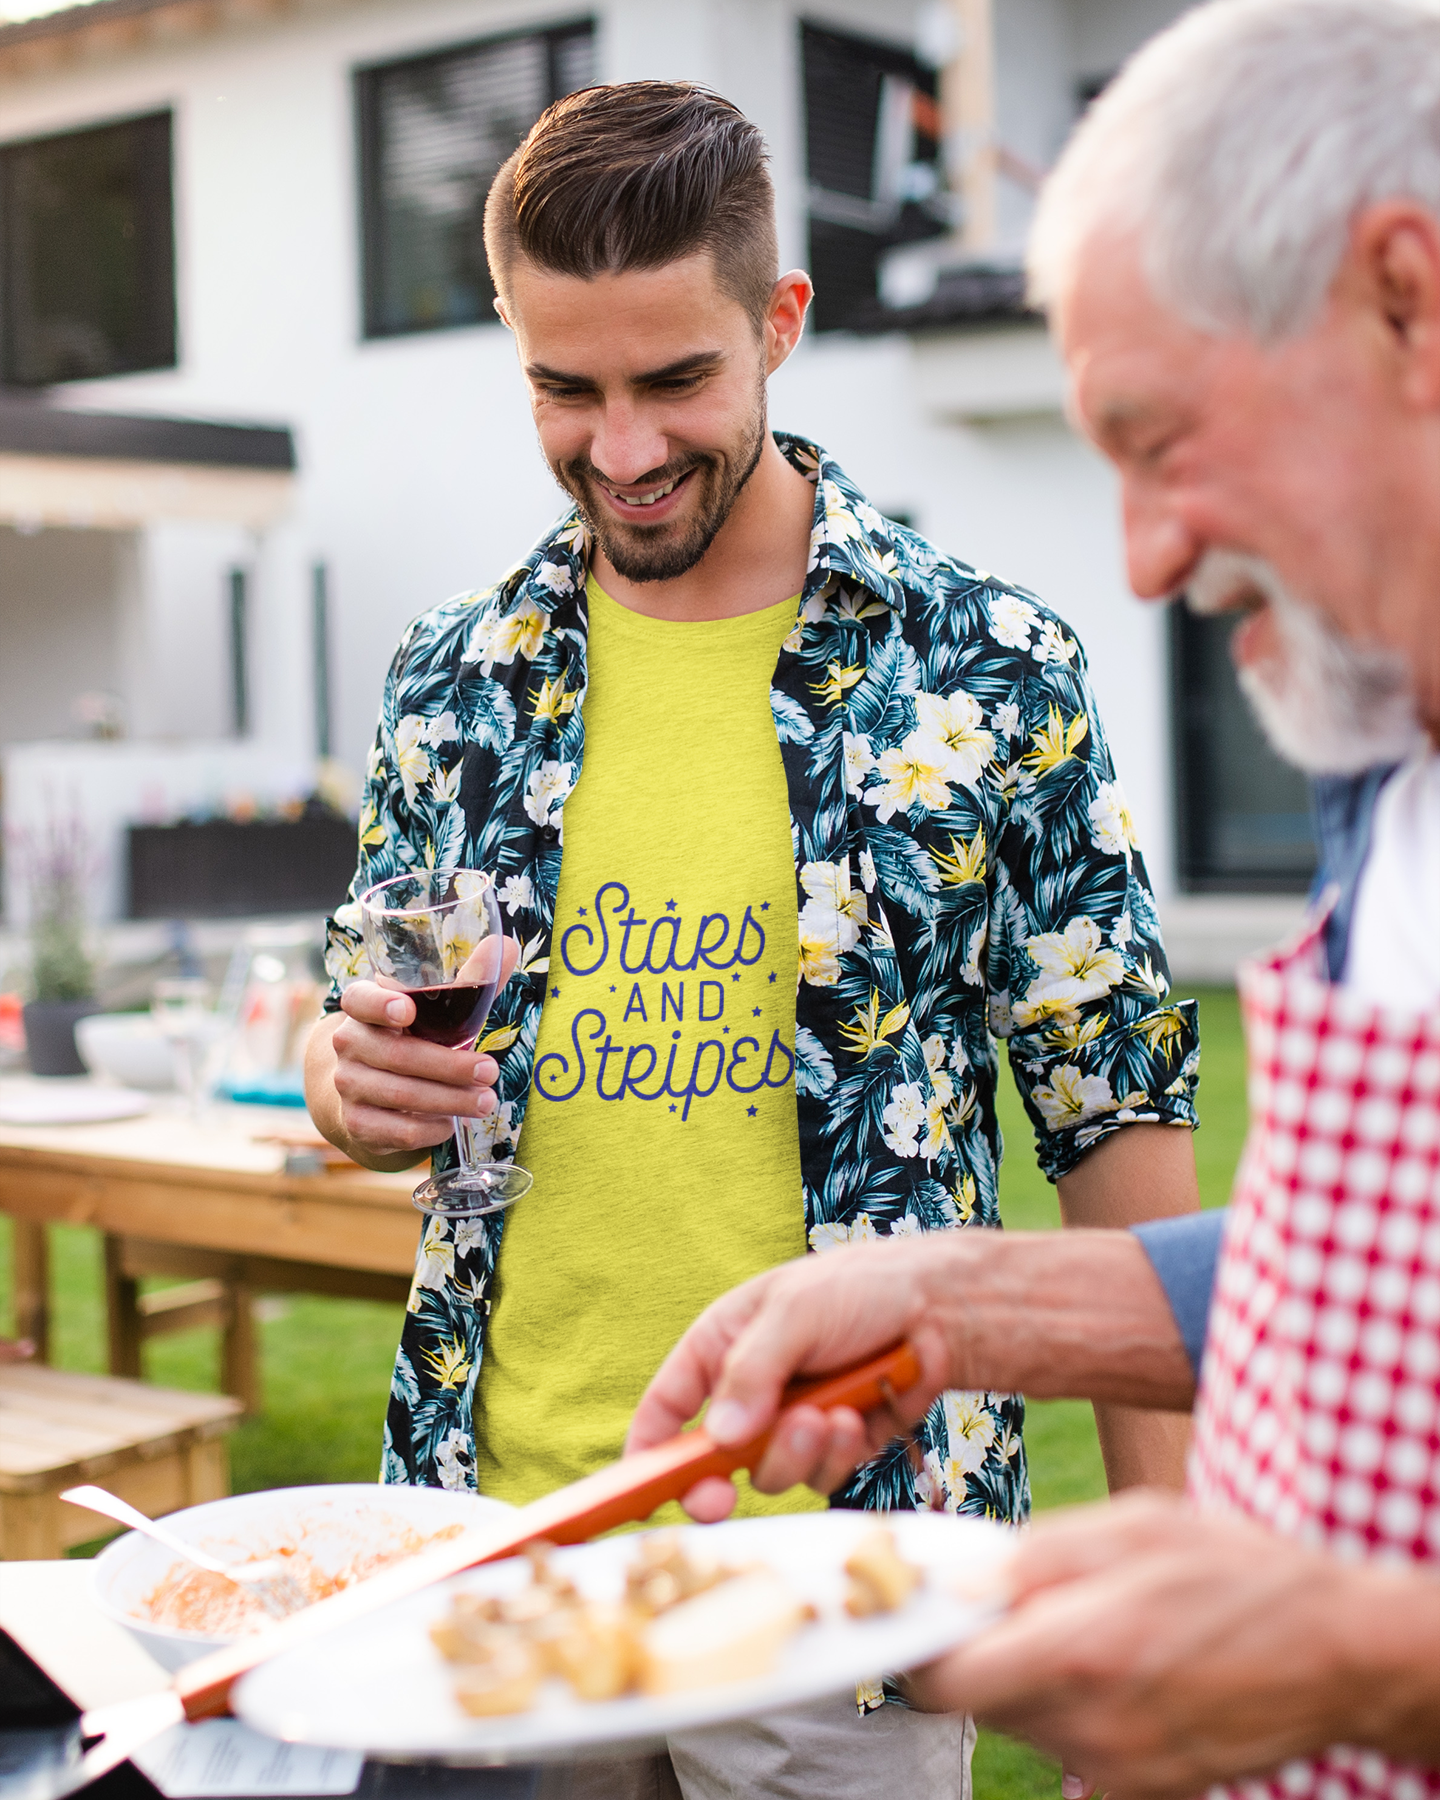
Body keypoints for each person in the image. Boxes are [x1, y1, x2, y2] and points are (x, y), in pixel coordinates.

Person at [305, 80, 1201, 1798]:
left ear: (779, 324)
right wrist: (344, 1083)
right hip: (496, 1548)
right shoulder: (452, 675)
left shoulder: (991, 668)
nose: (622, 452)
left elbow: (1120, 1144)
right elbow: (362, 1055)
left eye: (676, 382)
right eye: (565, 390)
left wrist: (1166, 1597)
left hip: (840, 1578)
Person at [628, 5, 1440, 1798]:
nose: (1146, 554)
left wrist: (1370, 1660)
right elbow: (1377, 1283)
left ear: (1407, 300)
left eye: (1159, 440)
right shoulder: (1398, 771)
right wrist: (960, 1303)